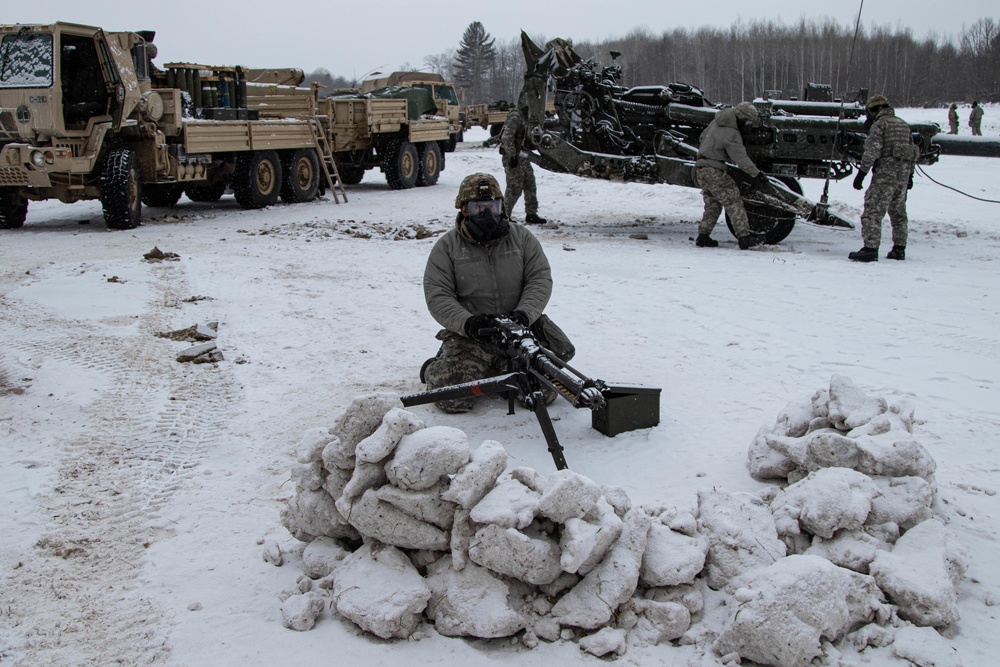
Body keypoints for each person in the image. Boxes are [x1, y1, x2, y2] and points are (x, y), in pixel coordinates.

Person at [421, 172, 574, 413]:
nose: (486, 214)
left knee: (542, 393)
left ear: (501, 207)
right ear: (463, 209)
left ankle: (501, 368)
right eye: (478, 207)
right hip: (473, 334)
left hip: (520, 328)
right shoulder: (447, 247)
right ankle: (437, 366)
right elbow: (437, 295)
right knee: (451, 399)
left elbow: (539, 279)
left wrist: (525, 314)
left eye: (492, 206)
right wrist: (468, 323)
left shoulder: (522, 239)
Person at [849, 95, 919, 262]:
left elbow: (872, 151)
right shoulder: (903, 124)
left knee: (873, 212)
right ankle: (899, 249)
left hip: (885, 176)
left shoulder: (880, 125)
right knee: (898, 213)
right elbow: (912, 152)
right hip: (902, 176)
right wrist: (910, 176)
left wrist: (861, 174)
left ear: (874, 111)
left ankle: (870, 249)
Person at [693, 101, 769, 250]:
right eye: (748, 122)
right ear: (742, 118)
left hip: (701, 169)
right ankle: (744, 237)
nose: (748, 126)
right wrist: (757, 174)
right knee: (734, 201)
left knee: (713, 204)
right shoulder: (732, 133)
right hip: (715, 170)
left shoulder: (715, 122)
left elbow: (702, 138)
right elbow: (740, 158)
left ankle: (703, 236)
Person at [500, 97, 546, 225]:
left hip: (523, 156)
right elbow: (507, 137)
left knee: (530, 184)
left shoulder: (527, 116)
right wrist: (512, 155)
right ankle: (504, 216)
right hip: (513, 156)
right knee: (514, 188)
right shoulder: (516, 116)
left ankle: (531, 214)